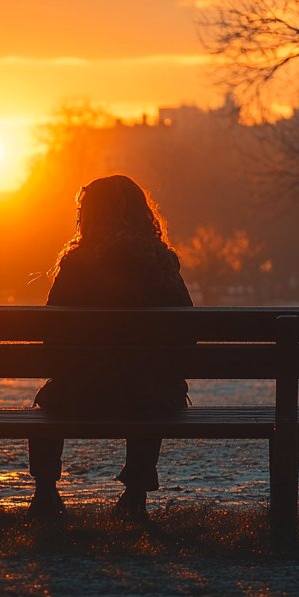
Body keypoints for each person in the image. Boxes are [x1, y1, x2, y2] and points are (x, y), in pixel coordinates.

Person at [27, 175, 192, 520]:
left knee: (48, 401)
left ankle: (45, 490)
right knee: (150, 387)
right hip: (150, 397)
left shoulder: (77, 264)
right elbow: (187, 331)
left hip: (82, 392)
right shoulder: (160, 262)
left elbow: (50, 332)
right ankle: (135, 494)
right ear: (140, 213)